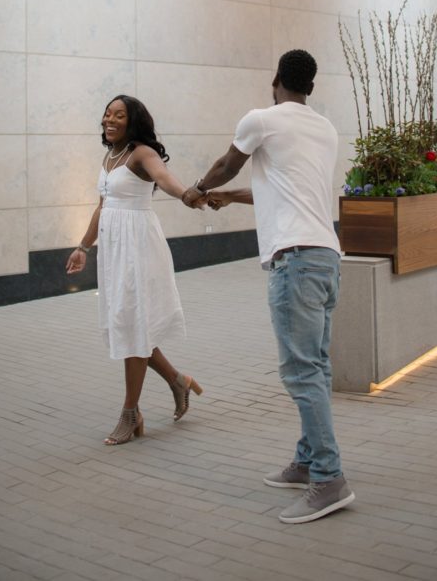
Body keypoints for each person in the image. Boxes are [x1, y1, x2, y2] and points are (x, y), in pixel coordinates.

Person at [180, 49, 354, 525]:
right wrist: (226, 198)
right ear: (311, 87)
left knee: (301, 373)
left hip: (294, 263)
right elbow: (277, 188)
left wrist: (198, 188)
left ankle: (329, 477)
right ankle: (306, 460)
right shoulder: (324, 128)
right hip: (325, 259)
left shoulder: (260, 119)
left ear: (274, 79)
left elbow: (228, 164)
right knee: (315, 367)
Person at [66, 95, 204, 445]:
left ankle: (131, 413)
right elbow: (103, 205)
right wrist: (83, 247)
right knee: (129, 324)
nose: (109, 120)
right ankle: (177, 381)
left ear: (133, 121)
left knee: (133, 324)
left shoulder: (142, 153)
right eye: (107, 114)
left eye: (119, 115)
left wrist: (187, 195)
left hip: (139, 247)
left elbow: (166, 178)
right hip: (114, 250)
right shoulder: (110, 156)